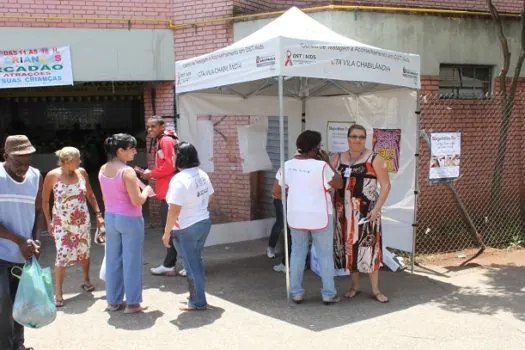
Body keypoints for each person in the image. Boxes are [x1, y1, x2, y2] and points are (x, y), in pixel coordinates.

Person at [277, 130, 343, 304]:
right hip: (320, 215)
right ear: (316, 148)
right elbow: (339, 182)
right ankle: (329, 293)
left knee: (297, 252)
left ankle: (296, 292)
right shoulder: (321, 167)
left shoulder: (287, 165)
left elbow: (276, 192)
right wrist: (327, 162)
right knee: (324, 254)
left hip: (296, 215)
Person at [332, 124, 391, 303]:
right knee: (350, 250)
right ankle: (355, 286)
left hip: (367, 213)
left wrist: (377, 208)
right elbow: (328, 181)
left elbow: (386, 185)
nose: (357, 140)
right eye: (354, 136)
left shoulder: (375, 159)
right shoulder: (337, 158)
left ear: (365, 139)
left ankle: (375, 290)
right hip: (344, 212)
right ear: (348, 138)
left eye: (361, 137)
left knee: (370, 248)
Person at [42, 147, 104, 307]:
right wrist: (49, 221)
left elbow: (90, 194)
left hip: (82, 221)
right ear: (66, 161)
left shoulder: (82, 173)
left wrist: (98, 214)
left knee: (84, 251)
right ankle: (58, 292)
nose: (80, 162)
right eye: (77, 159)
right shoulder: (52, 176)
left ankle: (86, 280)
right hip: (62, 223)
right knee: (62, 256)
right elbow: (44, 201)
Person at [99, 134, 154, 313]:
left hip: (111, 217)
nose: (134, 152)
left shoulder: (103, 169)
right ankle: (133, 303)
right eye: (131, 148)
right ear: (120, 151)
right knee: (132, 261)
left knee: (113, 260)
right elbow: (137, 201)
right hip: (130, 219)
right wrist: (146, 190)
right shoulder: (127, 171)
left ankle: (113, 301)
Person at [0, 135, 43, 350]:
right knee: (2, 306)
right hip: (1, 253)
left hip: (23, 254)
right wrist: (19, 240)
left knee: (21, 303)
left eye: (27, 162)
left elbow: (37, 212)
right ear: (5, 155)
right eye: (18, 162)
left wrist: (34, 240)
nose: (24, 168)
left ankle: (19, 345)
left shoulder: (36, 177)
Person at [162, 142, 213, 311]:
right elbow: (210, 196)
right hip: (203, 223)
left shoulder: (179, 180)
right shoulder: (202, 174)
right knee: (195, 261)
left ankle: (198, 301)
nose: (171, 157)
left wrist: (166, 232)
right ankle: (196, 296)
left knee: (192, 266)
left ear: (180, 157)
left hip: (186, 228)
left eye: (174, 154)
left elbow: (173, 209)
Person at [139, 116, 184, 277]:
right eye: (148, 127)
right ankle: (172, 263)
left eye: (153, 126)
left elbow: (170, 166)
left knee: (171, 229)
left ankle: (172, 264)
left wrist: (152, 173)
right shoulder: (165, 139)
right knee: (173, 229)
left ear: (162, 126)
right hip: (168, 190)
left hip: (170, 192)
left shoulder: (165, 141)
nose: (150, 129)